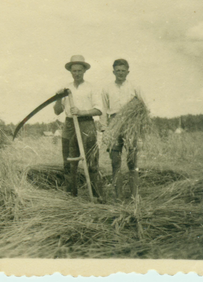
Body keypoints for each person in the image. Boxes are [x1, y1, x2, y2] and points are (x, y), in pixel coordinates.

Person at [53, 55, 105, 201]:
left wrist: (82, 112)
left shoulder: (91, 88)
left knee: (91, 161)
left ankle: (96, 196)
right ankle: (71, 195)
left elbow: (99, 110)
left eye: (79, 70)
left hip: (86, 123)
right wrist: (58, 98)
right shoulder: (65, 88)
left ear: (84, 71)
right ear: (70, 71)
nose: (77, 73)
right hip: (69, 124)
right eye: (74, 71)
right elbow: (57, 111)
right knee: (69, 162)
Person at [100, 59, 146, 201]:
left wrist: (140, 128)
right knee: (115, 161)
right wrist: (104, 130)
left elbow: (144, 106)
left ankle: (134, 195)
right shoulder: (107, 88)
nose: (120, 73)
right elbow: (103, 110)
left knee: (132, 161)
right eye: (117, 70)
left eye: (123, 70)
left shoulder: (134, 86)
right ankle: (118, 195)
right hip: (114, 124)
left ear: (128, 72)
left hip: (131, 125)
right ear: (113, 72)